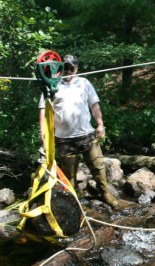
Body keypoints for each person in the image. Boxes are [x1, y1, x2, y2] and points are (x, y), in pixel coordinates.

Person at [39, 54, 121, 209]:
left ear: (76, 68)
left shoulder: (84, 83)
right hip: (63, 139)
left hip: (87, 135)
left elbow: (94, 105)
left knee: (98, 166)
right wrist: (42, 133)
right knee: (68, 174)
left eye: (71, 67)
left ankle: (105, 194)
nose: (68, 70)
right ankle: (74, 203)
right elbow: (43, 110)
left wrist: (100, 124)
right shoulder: (51, 85)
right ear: (61, 68)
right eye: (66, 67)